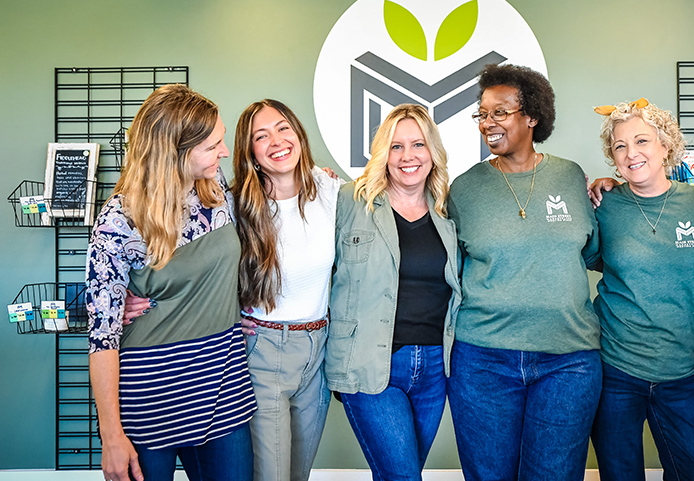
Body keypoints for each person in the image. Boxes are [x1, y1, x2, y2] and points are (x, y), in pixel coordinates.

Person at [86, 84, 257, 481]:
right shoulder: (118, 222)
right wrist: (111, 433)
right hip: (149, 404)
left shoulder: (219, 196)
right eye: (213, 145)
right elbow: (102, 337)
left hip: (223, 391)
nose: (225, 152)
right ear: (177, 151)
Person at [446, 63, 601, 481]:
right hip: (483, 361)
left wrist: (614, 191)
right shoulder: (463, 189)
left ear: (531, 116)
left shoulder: (571, 177)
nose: (487, 123)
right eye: (482, 114)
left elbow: (595, 252)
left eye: (500, 112)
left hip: (568, 362)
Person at [325, 104, 461, 481]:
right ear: (383, 154)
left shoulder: (449, 211)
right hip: (370, 362)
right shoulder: (349, 201)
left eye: (418, 144)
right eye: (396, 146)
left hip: (435, 367)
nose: (408, 156)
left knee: (401, 473)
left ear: (432, 152)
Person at [589, 98, 694, 481]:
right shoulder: (602, 205)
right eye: (620, 146)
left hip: (681, 371)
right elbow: (578, 256)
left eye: (642, 141)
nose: (632, 154)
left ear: (666, 146)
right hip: (616, 369)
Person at [233, 99, 342, 481]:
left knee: (300, 472)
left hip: (319, 349)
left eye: (282, 128)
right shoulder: (238, 206)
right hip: (263, 350)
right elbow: (199, 265)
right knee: (271, 474)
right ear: (251, 154)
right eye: (261, 136)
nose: (277, 141)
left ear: (297, 132)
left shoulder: (330, 190)